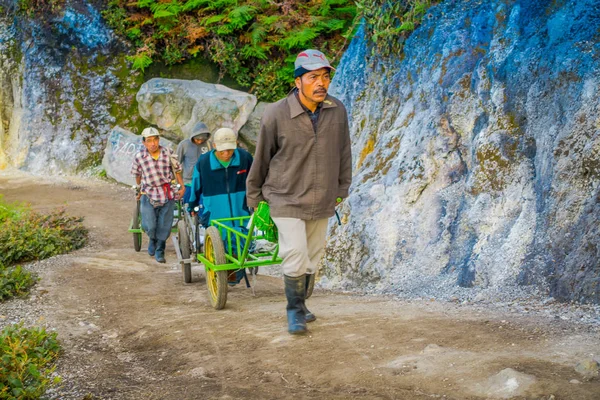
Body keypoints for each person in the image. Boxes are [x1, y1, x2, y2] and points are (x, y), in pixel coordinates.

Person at [246, 49, 352, 334]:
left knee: (313, 256)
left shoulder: (337, 110)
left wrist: (342, 187)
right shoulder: (276, 113)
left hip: (322, 196)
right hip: (285, 196)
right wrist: (254, 196)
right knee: (295, 253)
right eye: (313, 77)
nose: (321, 83)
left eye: (325, 76)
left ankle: (303, 304)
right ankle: (294, 311)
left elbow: (344, 152)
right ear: (298, 82)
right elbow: (262, 158)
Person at [188, 127, 254, 284]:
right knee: (221, 244)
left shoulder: (245, 158)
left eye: (230, 150)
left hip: (240, 210)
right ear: (214, 146)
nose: (226, 154)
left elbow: (255, 180)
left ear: (236, 144)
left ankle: (235, 276)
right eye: (223, 150)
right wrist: (192, 204)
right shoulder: (204, 162)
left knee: (241, 243)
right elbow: (196, 185)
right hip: (215, 211)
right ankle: (225, 277)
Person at [131, 127, 185, 263]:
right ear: (144, 143)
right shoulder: (139, 157)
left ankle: (160, 248)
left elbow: (177, 170)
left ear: (158, 140)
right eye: (149, 141)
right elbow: (137, 174)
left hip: (166, 192)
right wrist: (138, 189)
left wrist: (182, 186)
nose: (153, 143)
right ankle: (152, 239)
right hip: (148, 192)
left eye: (155, 139)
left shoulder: (167, 153)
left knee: (165, 223)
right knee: (149, 224)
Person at [176, 121, 212, 205]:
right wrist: (181, 185)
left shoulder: (209, 145)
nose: (199, 141)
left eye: (202, 139)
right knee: (189, 208)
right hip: (188, 183)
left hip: (204, 183)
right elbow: (176, 165)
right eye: (197, 139)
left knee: (204, 208)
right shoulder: (184, 145)